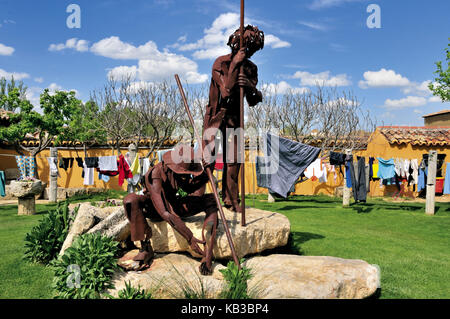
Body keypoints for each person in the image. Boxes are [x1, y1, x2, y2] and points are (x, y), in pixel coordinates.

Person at [123, 146, 218, 275]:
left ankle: (208, 249)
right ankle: (145, 247)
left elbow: (191, 190)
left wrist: (207, 171)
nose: (184, 175)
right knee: (130, 200)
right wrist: (189, 237)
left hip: (175, 206)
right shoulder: (155, 174)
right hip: (156, 209)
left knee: (212, 199)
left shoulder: (178, 174)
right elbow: (164, 212)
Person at [203, 25, 264, 213]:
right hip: (216, 116)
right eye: (246, 47)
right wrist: (236, 64)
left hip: (235, 120)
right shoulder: (220, 63)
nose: (249, 52)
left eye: (252, 49)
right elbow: (226, 91)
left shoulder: (251, 68)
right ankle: (198, 196)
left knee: (234, 161)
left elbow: (253, 101)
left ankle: (231, 200)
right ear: (236, 44)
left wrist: (251, 88)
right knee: (208, 159)